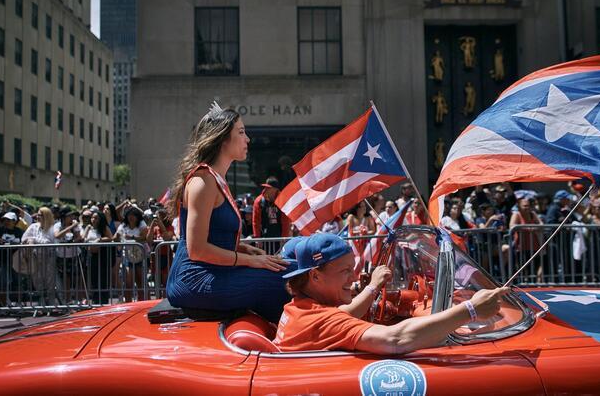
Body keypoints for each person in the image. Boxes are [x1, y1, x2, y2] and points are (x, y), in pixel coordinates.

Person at [165, 105, 295, 322]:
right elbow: (197, 250)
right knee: (286, 279)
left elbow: (215, 239)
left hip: (213, 273)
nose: (248, 139)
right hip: (194, 280)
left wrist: (249, 251)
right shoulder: (203, 181)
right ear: (223, 138)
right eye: (242, 132)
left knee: (293, 268)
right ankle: (295, 341)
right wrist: (250, 260)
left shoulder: (215, 180)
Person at [274, 234, 509, 353]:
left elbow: (345, 314)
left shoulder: (296, 308)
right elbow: (396, 340)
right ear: (315, 276)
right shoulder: (319, 320)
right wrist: (470, 310)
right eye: (346, 271)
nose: (354, 278)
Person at [19, 207, 57, 306]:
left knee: (49, 282)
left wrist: (33, 239)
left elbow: (49, 242)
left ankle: (51, 304)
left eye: (40, 215)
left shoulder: (52, 228)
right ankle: (42, 303)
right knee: (37, 281)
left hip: (48, 258)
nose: (37, 217)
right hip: (35, 257)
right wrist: (31, 240)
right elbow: (24, 238)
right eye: (38, 214)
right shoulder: (33, 226)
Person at [114, 206, 149, 301]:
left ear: (137, 216)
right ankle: (128, 302)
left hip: (140, 256)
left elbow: (144, 237)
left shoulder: (141, 224)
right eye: (129, 215)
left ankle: (142, 302)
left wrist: (132, 237)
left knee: (140, 280)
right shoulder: (123, 225)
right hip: (127, 256)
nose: (131, 217)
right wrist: (117, 237)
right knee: (128, 281)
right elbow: (116, 237)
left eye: (133, 215)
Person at [82, 210, 115, 304]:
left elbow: (110, 238)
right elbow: (83, 238)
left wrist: (99, 240)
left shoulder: (104, 227)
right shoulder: (89, 228)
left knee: (103, 280)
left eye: (96, 218)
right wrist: (87, 229)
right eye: (92, 218)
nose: (93, 220)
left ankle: (103, 301)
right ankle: (95, 301)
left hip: (102, 257)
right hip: (91, 256)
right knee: (93, 280)